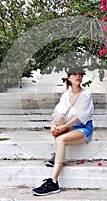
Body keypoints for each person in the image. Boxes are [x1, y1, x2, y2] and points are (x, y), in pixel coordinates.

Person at [32, 67, 94, 196]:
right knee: (58, 118)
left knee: (60, 139)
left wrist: (63, 127)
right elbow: (58, 113)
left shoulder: (86, 94)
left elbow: (80, 117)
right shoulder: (66, 95)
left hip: (83, 129)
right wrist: (53, 126)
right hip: (69, 127)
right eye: (74, 74)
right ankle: (58, 156)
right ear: (69, 78)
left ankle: (53, 182)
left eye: (80, 75)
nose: (78, 77)